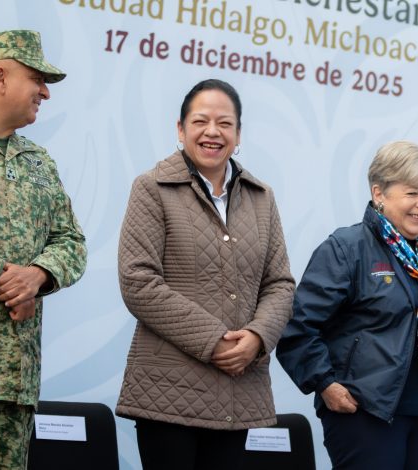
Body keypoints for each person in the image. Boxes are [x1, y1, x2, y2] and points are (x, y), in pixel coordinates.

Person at [116, 78, 295, 469]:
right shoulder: (151, 188)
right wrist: (214, 341)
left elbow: (279, 283)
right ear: (180, 130)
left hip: (240, 390)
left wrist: (257, 337)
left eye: (224, 123)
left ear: (239, 134)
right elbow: (138, 281)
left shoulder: (262, 198)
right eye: (200, 121)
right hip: (167, 395)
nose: (212, 132)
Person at [277, 141, 418, 469]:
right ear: (379, 193)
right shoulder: (346, 248)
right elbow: (297, 327)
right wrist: (325, 384)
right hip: (364, 412)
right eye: (412, 193)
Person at [0, 29, 87, 468]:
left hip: (14, 379)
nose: (45, 91)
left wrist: (38, 276)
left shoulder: (40, 161)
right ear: (1, 76)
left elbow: (71, 241)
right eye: (37, 78)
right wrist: (4, 283)